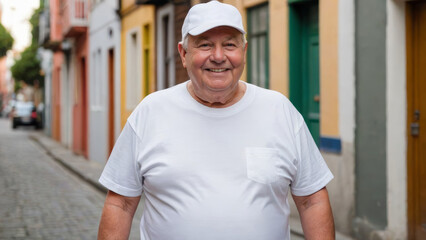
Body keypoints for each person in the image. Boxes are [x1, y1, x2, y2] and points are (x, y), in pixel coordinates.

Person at [98, 1, 335, 239]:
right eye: (205, 45)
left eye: (230, 44)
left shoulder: (279, 110)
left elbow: (311, 200)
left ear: (244, 51)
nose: (219, 56)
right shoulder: (150, 112)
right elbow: (121, 204)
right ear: (183, 53)